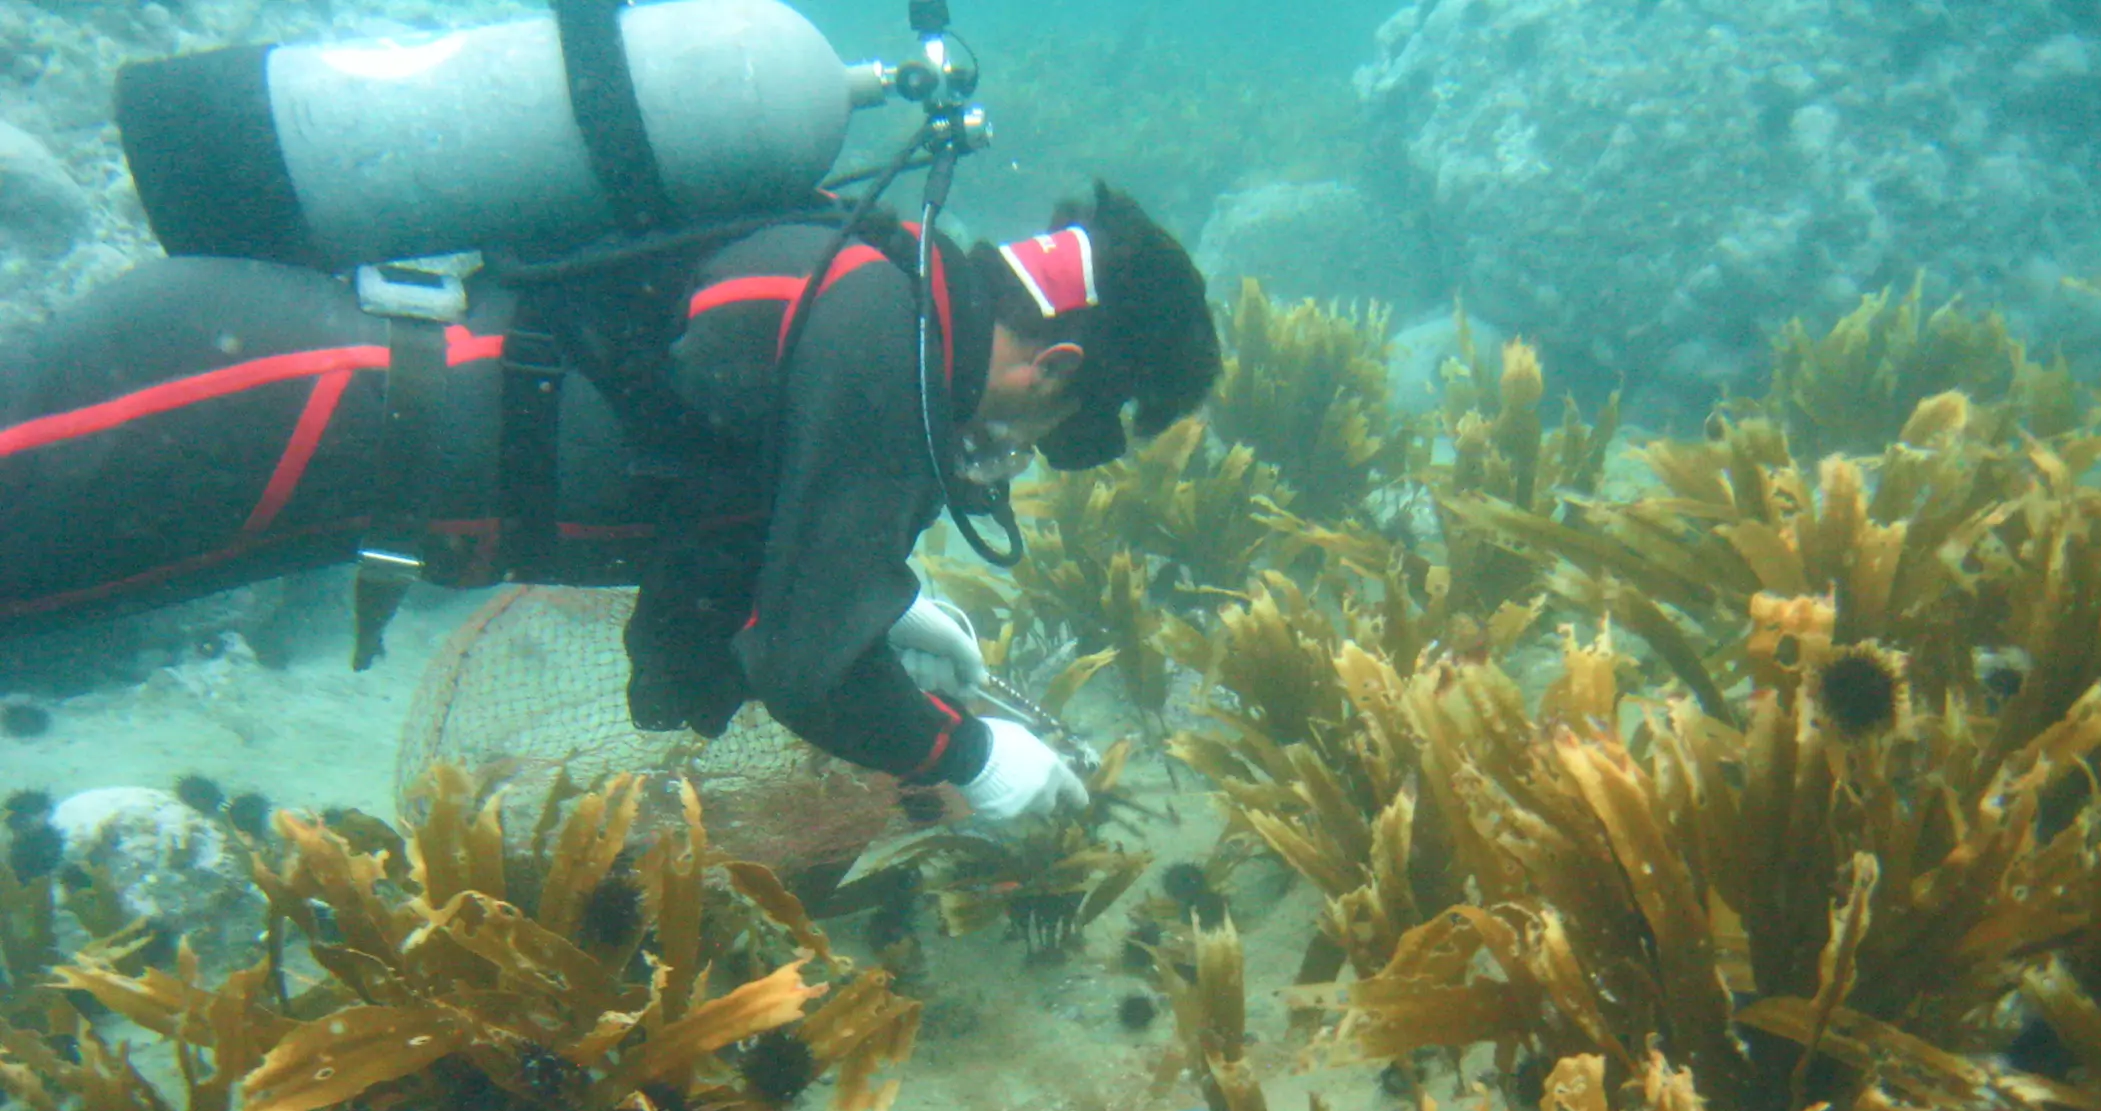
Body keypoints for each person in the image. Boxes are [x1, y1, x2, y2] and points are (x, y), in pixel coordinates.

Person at [0, 182, 1223, 822]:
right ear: (1057, 367)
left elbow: (708, 488)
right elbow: (801, 670)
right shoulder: (886, 343)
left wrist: (879, 597)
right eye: (1068, 437)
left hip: (273, 389)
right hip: (268, 398)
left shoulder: (884, 277)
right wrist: (976, 760)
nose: (1022, 458)